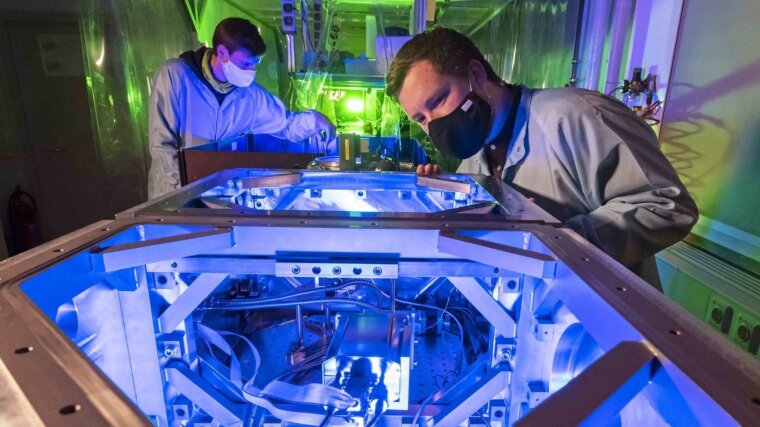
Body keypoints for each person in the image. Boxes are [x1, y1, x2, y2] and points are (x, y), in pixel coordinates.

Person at [385, 28, 698, 288]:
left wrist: (560, 237)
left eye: (438, 100)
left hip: (602, 330)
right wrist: (444, 204)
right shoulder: (472, 164)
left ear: (476, 75)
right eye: (421, 119)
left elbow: (668, 204)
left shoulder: (575, 117)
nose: (434, 125)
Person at [148, 17, 335, 198]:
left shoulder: (250, 96)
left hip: (217, 195)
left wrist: (314, 120)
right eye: (245, 64)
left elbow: (286, 124)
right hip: (171, 195)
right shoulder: (176, 76)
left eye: (254, 65)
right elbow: (162, 145)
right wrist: (181, 192)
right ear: (222, 53)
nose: (250, 72)